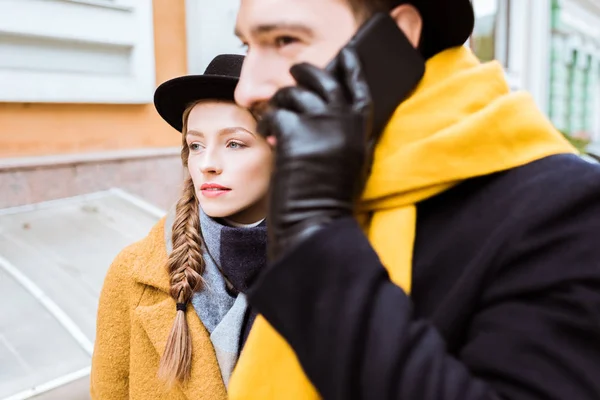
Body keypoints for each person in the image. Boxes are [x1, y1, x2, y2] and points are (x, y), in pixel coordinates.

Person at [225, 0, 600, 399]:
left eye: (286, 40)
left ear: (397, 37)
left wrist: (316, 238)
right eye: (248, 47)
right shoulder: (329, 188)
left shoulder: (568, 209)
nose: (245, 91)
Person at [90, 54, 272, 399]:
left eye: (234, 143)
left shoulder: (337, 270)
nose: (207, 164)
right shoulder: (132, 275)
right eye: (196, 145)